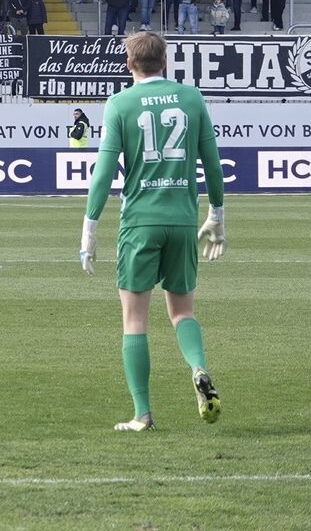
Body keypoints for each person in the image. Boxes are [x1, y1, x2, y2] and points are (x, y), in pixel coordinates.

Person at [78, 31, 225, 432]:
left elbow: (104, 172)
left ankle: (142, 414)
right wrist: (217, 215)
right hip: (182, 220)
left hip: (140, 221)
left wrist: (90, 228)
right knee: (182, 311)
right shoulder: (191, 98)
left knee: (134, 320)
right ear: (166, 62)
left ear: (130, 65)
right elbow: (212, 162)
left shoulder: (120, 103)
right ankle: (198, 367)